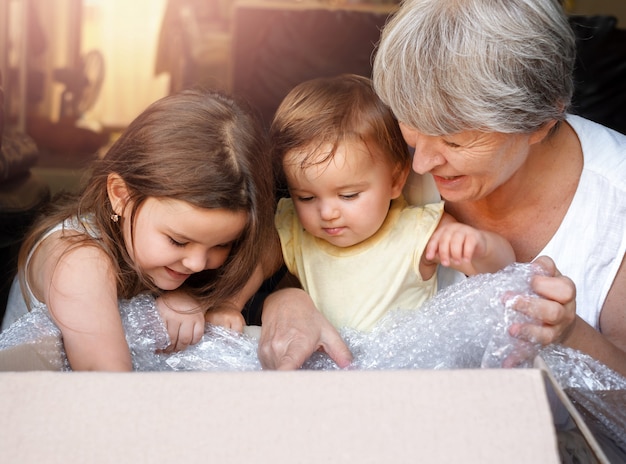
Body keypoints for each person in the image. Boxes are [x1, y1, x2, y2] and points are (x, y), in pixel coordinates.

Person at [257, 0, 626, 378]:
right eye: (411, 125)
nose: (420, 165)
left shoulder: (617, 201)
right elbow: (314, 260)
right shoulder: (373, 156)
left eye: (454, 142)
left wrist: (569, 334)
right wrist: (286, 301)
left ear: (541, 124)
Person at [1, 89, 277, 371]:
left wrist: (223, 303)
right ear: (121, 195)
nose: (196, 263)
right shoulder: (79, 260)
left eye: (221, 245)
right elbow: (108, 380)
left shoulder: (164, 247)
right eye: (178, 241)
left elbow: (271, 245)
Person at [269, 73, 514, 332]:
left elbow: (503, 271)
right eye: (305, 197)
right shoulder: (296, 231)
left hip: (402, 370)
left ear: (396, 181)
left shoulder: (417, 231)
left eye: (348, 195)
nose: (327, 212)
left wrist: (480, 247)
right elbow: (253, 262)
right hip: (327, 369)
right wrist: (232, 302)